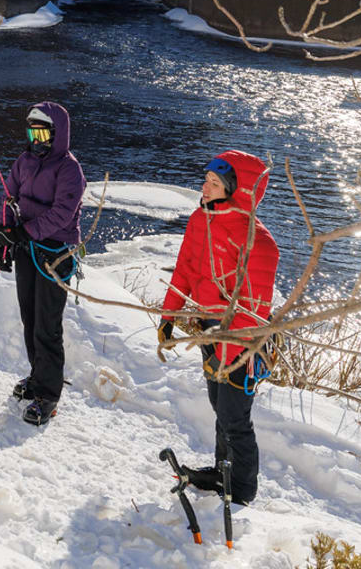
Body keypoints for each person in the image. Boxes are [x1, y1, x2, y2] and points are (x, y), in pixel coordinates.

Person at [158, 152, 279, 506]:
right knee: (218, 405)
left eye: (214, 183)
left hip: (242, 342)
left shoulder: (259, 242)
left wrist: (225, 357)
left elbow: (251, 312)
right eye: (205, 180)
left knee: (234, 416)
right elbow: (184, 269)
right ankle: (222, 471)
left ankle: (242, 489)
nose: (204, 187)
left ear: (234, 189)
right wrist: (169, 316)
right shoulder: (200, 220)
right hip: (210, 330)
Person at [0, 102, 85, 426]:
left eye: (43, 131)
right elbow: (10, 200)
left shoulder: (69, 169)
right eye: (32, 131)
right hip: (26, 248)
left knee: (47, 324)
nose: (36, 138)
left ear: (56, 134)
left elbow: (62, 213)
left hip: (54, 252)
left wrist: (24, 231)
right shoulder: (23, 161)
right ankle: (36, 377)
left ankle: (48, 394)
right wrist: (3, 239)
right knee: (29, 317)